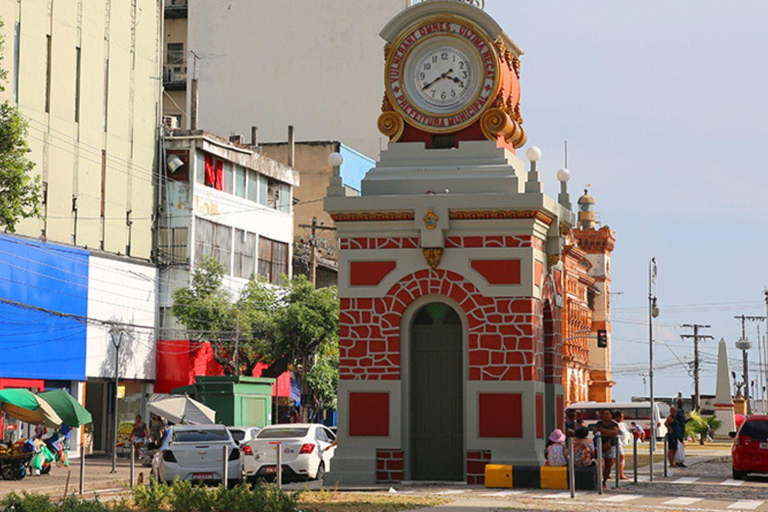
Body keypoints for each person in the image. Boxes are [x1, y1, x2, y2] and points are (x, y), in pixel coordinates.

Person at [593, 408, 620, 488]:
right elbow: (595, 432)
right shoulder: (598, 423)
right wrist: (608, 433)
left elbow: (614, 433)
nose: (606, 416)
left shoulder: (614, 424)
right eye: (604, 414)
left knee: (608, 464)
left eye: (607, 414)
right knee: (600, 464)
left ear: (611, 415)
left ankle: (604, 480)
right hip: (600, 445)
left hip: (610, 446)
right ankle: (598, 480)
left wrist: (602, 431)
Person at [613, 411, 631, 480]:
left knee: (613, 459)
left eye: (622, 417)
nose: (622, 418)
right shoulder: (614, 424)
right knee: (621, 457)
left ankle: (606, 472)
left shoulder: (622, 424)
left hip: (621, 443)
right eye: (620, 417)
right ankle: (621, 474)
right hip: (616, 442)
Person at [674, 399, 687, 467]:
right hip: (678, 430)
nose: (682, 404)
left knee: (681, 445)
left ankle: (681, 460)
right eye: (680, 403)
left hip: (682, 430)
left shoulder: (682, 411)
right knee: (678, 446)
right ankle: (678, 461)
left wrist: (688, 420)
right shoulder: (677, 411)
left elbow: (683, 421)